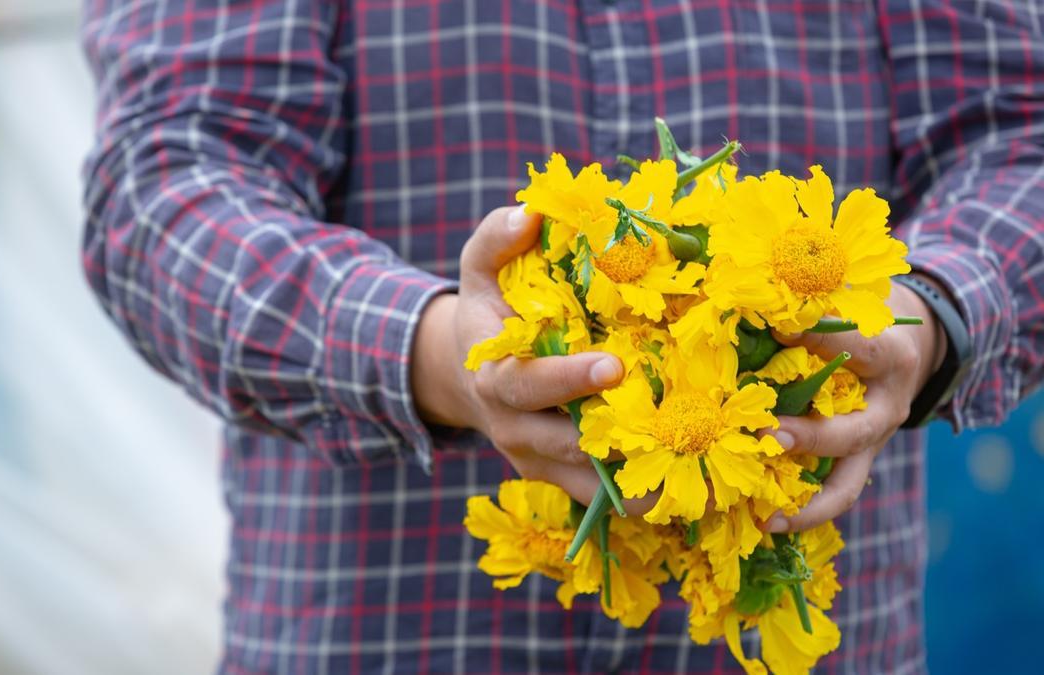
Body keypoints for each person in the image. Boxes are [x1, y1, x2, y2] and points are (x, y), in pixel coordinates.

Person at [80, 1, 1043, 672]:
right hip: (383, 635)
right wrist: (436, 351)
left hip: (809, 623)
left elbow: (1019, 140)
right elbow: (164, 188)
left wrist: (928, 315)